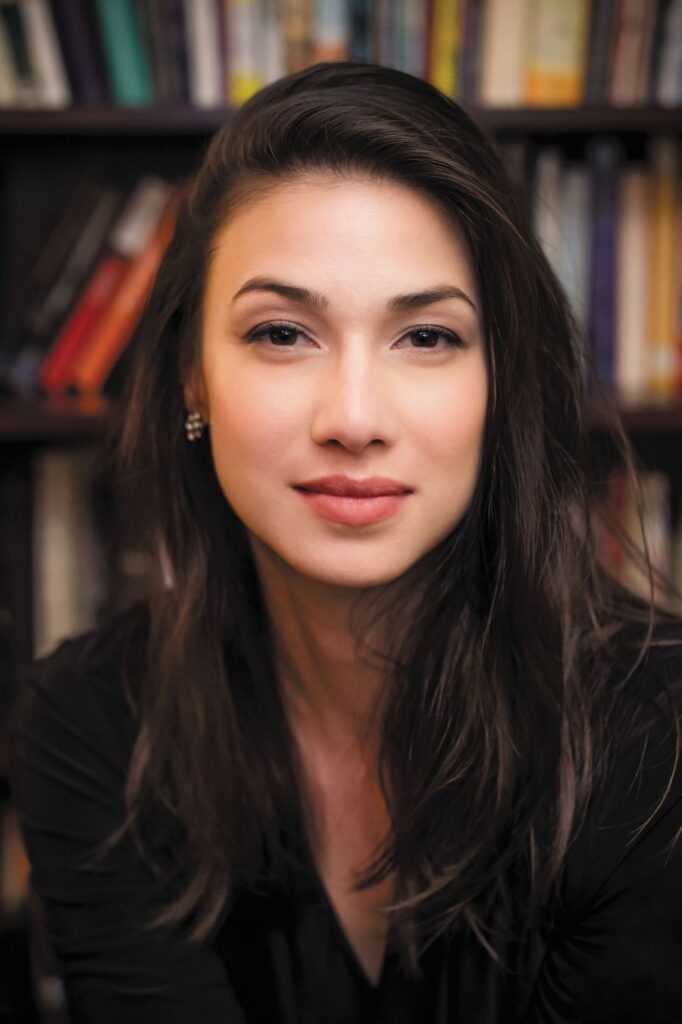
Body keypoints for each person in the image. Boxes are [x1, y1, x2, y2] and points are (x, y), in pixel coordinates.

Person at [8, 60, 682, 1024]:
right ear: (193, 377)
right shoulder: (92, 729)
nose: (354, 420)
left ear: (502, 383)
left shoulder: (660, 742)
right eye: (282, 334)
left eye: (428, 337)